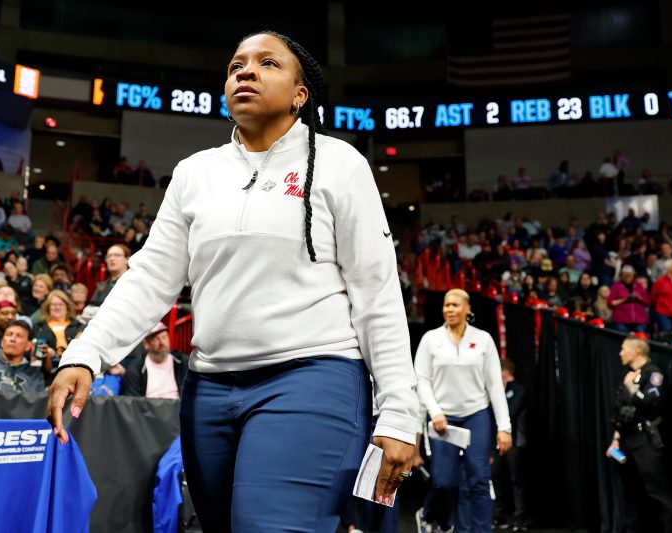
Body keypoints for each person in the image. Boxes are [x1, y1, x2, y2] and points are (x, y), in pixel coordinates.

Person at [47, 30, 418, 531]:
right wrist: (85, 354)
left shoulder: (340, 164)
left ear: (300, 94)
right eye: (236, 65)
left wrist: (399, 411)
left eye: (268, 63)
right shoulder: (194, 172)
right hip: (208, 390)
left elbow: (377, 294)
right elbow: (150, 278)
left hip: (312, 378)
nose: (246, 71)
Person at [414, 289, 512, 532]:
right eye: (446, 305)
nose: (449, 309)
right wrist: (435, 411)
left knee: (479, 480)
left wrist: (504, 427)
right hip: (443, 419)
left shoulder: (483, 340)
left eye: (455, 305)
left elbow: (495, 385)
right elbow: (421, 381)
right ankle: (431, 516)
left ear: (468, 309)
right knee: (443, 483)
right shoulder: (430, 339)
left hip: (476, 415)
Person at [608, 337, 672, 532]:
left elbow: (650, 402)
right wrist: (615, 440)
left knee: (660, 494)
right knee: (632, 494)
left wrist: (632, 388)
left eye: (624, 349)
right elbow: (619, 411)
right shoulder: (628, 375)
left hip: (646, 443)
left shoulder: (654, 374)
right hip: (625, 446)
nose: (620, 353)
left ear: (637, 351)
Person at [492, 358, 527, 531]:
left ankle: (519, 517)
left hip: (515, 442)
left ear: (505, 371)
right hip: (496, 442)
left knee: (516, 479)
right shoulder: (496, 391)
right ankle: (499, 515)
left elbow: (510, 412)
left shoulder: (519, 390)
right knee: (496, 477)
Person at [122, 322, 188, 398]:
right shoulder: (136, 368)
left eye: (164, 337)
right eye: (155, 339)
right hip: (148, 405)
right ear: (146, 344)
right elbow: (132, 401)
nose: (162, 342)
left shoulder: (183, 362)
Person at [32, 289, 83, 361]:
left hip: (74, 362)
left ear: (67, 307)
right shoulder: (39, 327)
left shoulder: (78, 326)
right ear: (48, 307)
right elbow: (36, 352)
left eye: (60, 304)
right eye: (54, 305)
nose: (57, 307)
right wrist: (47, 352)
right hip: (49, 363)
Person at [607, 265, 650, 333]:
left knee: (640, 337)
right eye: (625, 275)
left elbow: (648, 302)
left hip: (639, 319)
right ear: (621, 275)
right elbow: (610, 303)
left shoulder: (638, 285)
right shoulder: (616, 286)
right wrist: (625, 299)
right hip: (621, 319)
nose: (628, 278)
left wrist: (639, 298)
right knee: (622, 337)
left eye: (630, 275)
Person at [650, 259, 672, 332]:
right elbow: (653, 298)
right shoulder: (660, 282)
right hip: (664, 313)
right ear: (668, 268)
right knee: (666, 335)